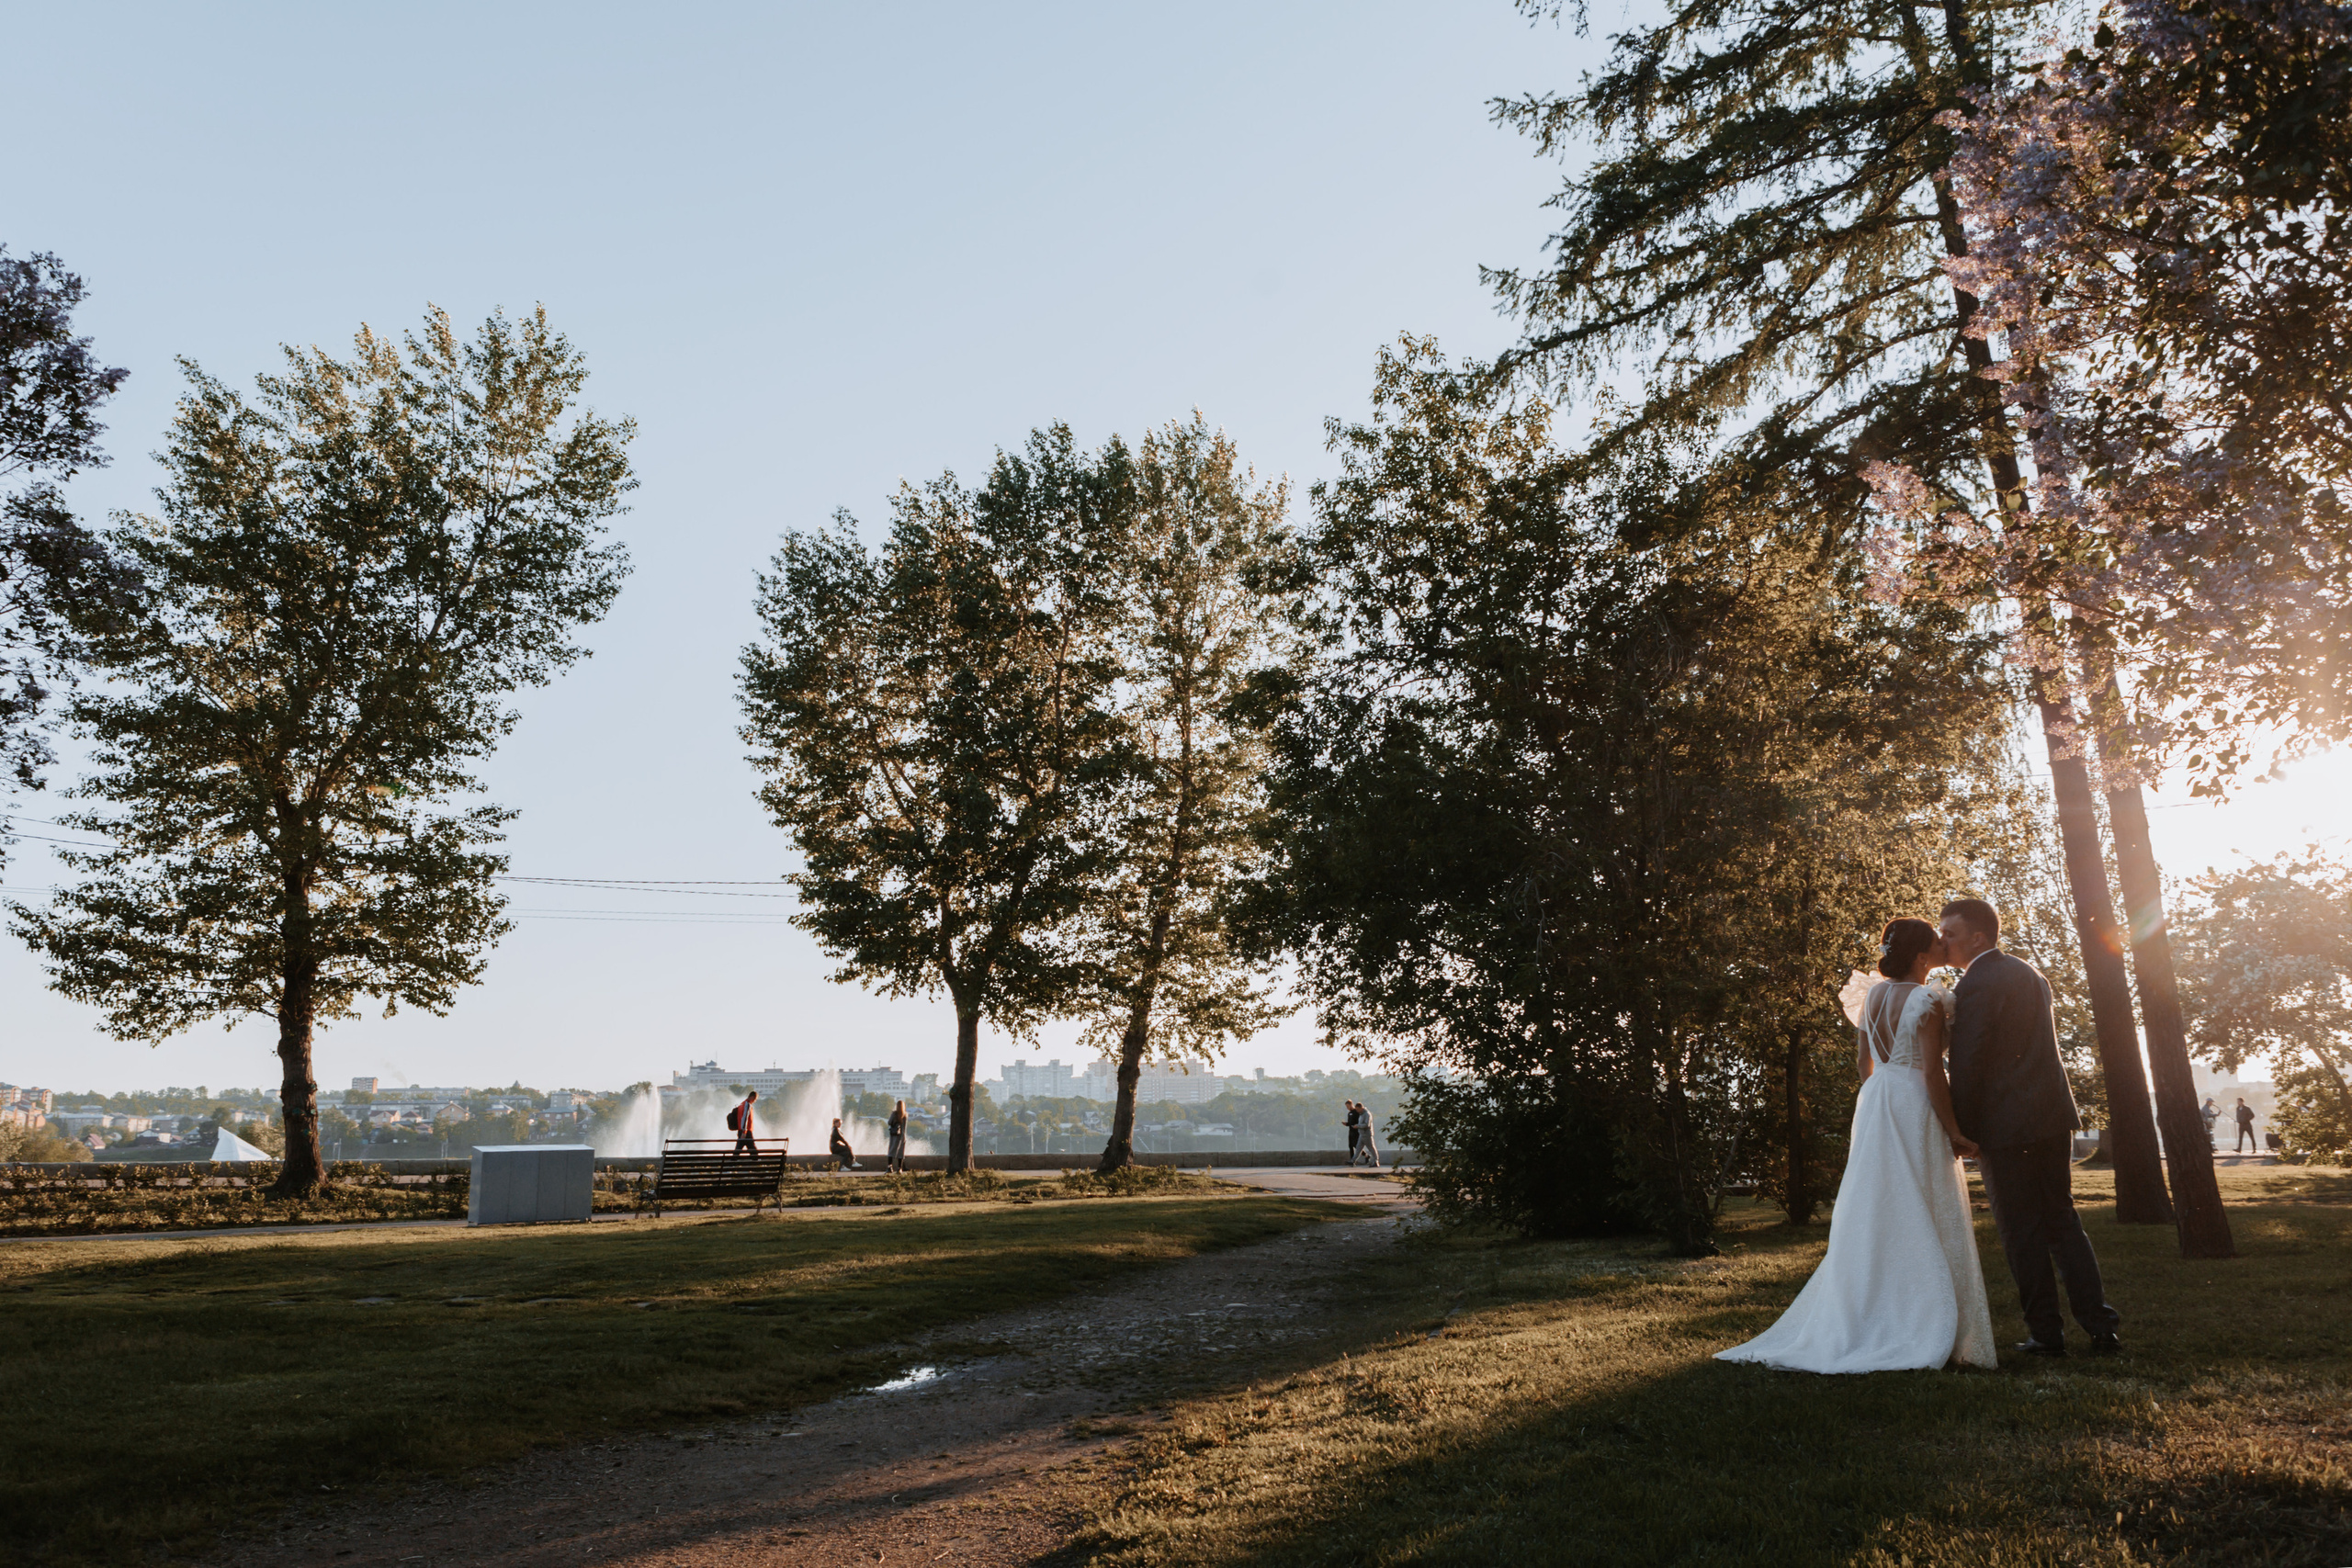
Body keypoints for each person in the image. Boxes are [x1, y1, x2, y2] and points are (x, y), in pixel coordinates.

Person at [1717, 917, 1997, 1373]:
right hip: (1912, 1098)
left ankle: (1872, 1304)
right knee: (1922, 1196)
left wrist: (1878, 1103)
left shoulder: (1871, 994)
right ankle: (1917, 1317)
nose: (1944, 948)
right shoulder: (1927, 999)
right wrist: (1954, 1132)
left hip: (1878, 1100)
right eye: (1936, 944)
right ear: (1923, 958)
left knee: (1879, 1201)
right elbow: (1931, 1073)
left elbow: (1864, 1063)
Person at [1940, 897, 2122, 1359]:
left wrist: (1960, 1127)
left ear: (1978, 937)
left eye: (1951, 934)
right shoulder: (2029, 973)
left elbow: (1969, 1062)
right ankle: (2100, 1326)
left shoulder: (1977, 984)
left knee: (2021, 1231)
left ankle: (2045, 1334)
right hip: (2049, 1117)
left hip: (2006, 1125)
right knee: (2062, 1222)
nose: (1944, 941)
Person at [728, 1089, 760, 1156]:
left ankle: (732, 1163)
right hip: (746, 1131)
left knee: (743, 1148)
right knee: (751, 1149)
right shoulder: (747, 1105)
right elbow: (745, 1118)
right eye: (755, 1099)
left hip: (742, 1130)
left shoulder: (742, 1104)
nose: (754, 1101)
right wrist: (744, 1131)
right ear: (752, 1097)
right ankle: (757, 1161)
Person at [887, 1099, 909, 1173]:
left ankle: (890, 1167)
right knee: (900, 1153)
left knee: (891, 1152)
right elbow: (904, 1127)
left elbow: (889, 1122)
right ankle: (899, 1169)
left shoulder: (894, 1114)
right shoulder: (905, 1115)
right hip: (902, 1136)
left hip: (894, 1136)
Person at [1342, 1100, 1363, 1164]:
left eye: (1348, 1106)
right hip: (1351, 1131)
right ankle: (1352, 1160)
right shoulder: (1349, 1113)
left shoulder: (1356, 1112)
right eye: (1346, 1107)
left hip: (1356, 1131)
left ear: (1351, 1105)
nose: (1347, 1108)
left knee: (1356, 1146)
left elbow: (1359, 1121)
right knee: (1350, 1146)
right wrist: (1346, 1124)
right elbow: (1350, 1123)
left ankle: (1366, 1156)